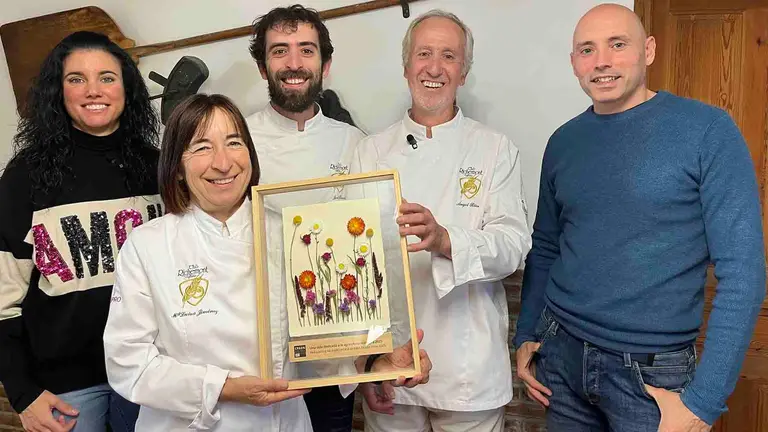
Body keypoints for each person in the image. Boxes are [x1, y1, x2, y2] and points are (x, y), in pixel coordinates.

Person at [102, 93, 431, 431]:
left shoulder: (289, 234)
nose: (223, 162)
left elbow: (320, 343)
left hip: (281, 421)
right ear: (178, 167)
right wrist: (223, 388)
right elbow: (129, 364)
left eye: (234, 142)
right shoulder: (147, 246)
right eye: (202, 147)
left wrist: (378, 363)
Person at [513, 4, 765, 431]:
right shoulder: (563, 142)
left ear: (648, 50)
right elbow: (548, 246)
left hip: (651, 377)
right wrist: (525, 335)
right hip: (562, 358)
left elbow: (744, 271)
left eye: (617, 44)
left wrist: (703, 403)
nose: (602, 61)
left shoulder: (707, 131)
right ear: (574, 62)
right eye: (587, 50)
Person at [354, 10, 531, 432]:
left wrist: (445, 239)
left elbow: (513, 246)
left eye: (448, 56)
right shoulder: (371, 152)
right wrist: (368, 364)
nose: (434, 67)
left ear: (463, 72)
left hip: (469, 372)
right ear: (406, 66)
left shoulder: (494, 149)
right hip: (394, 366)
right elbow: (357, 268)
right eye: (424, 54)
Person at [0, 31, 161, 432]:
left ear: (126, 88)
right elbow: (2, 300)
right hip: (64, 390)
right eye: (76, 79)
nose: (94, 90)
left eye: (107, 77)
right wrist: (22, 393)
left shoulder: (161, 169)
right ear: (59, 91)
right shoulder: (24, 178)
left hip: (153, 372)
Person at [245, 6, 366, 431]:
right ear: (263, 67)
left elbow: (367, 249)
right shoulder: (236, 140)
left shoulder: (353, 144)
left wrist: (374, 353)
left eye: (306, 51)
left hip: (331, 354)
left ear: (325, 64)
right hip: (256, 351)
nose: (294, 64)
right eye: (280, 51)